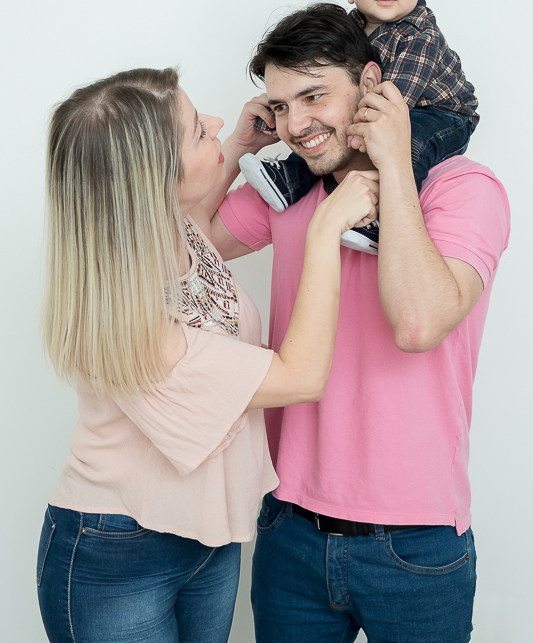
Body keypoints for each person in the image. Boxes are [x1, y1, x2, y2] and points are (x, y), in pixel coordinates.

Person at [36, 67, 378, 643]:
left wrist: (238, 146)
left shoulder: (168, 230)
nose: (220, 123)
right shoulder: (140, 326)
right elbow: (300, 377)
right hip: (118, 553)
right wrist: (326, 228)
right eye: (199, 131)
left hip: (208, 540)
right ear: (153, 182)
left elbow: (193, 216)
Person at [209, 5, 510, 643]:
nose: (298, 124)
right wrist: (237, 147)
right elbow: (188, 242)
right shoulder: (290, 194)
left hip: (417, 545)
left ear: (373, 85)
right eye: (282, 105)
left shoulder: (464, 189)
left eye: (314, 96)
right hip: (288, 530)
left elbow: (419, 323)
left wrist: (393, 166)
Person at [239, 0, 479, 255]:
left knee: (406, 146)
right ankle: (288, 181)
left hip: (442, 114)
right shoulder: (350, 28)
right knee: (316, 132)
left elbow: (395, 104)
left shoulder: (420, 36)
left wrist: (356, 133)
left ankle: (380, 217)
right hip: (394, 105)